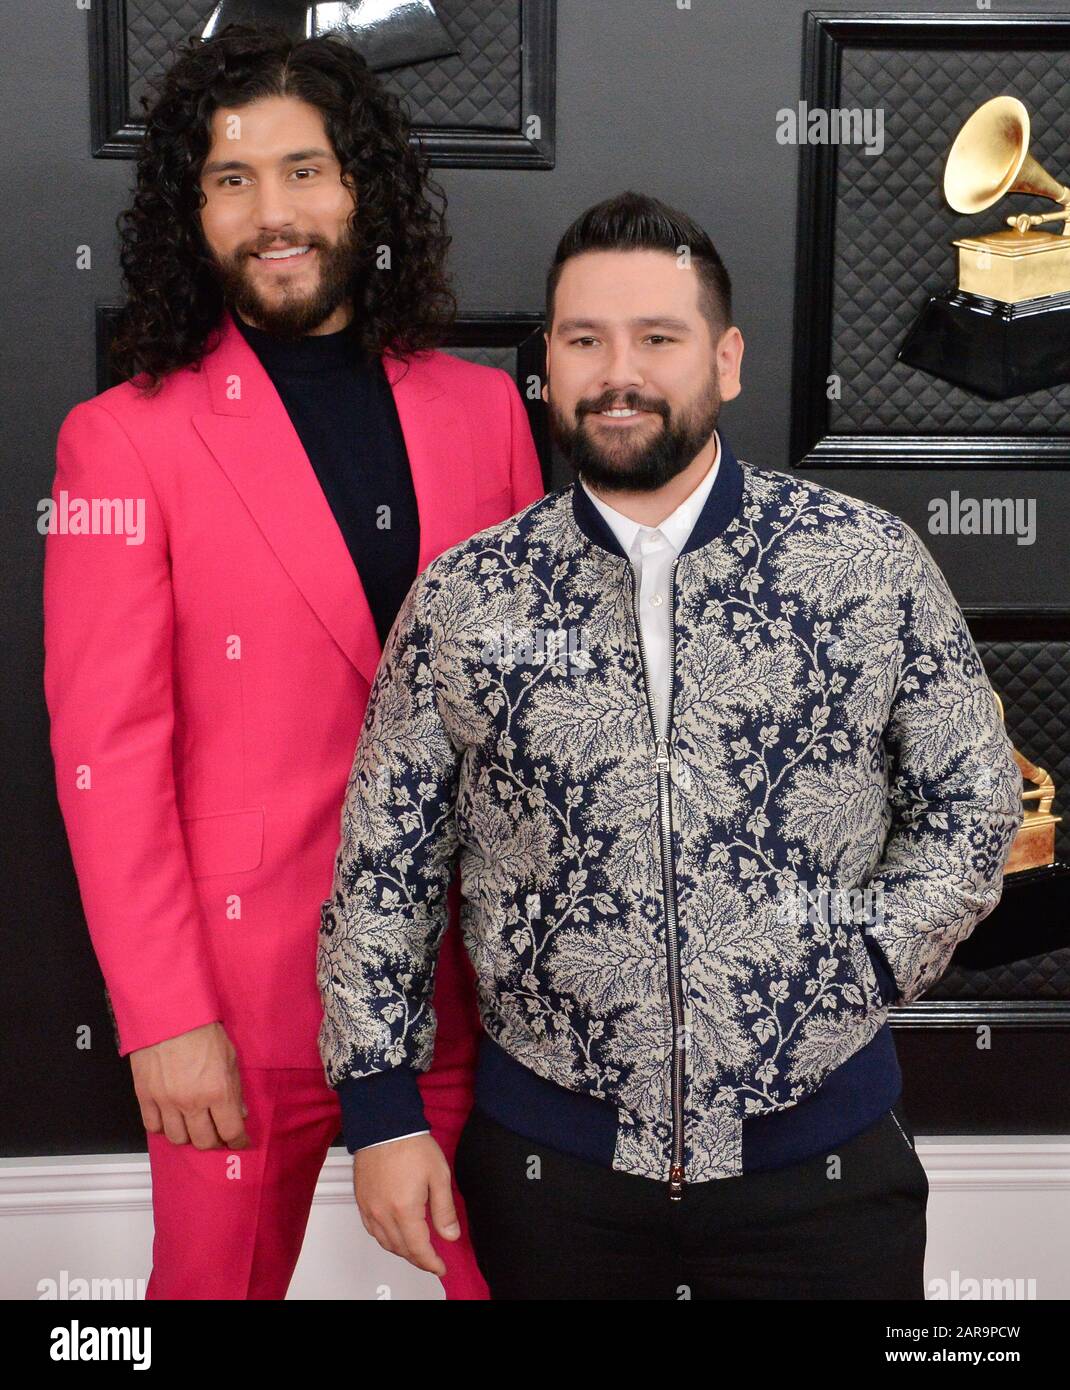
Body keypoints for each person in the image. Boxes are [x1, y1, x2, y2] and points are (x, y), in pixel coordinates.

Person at [317, 190, 1023, 1299]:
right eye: (584, 339)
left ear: (724, 359)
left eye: (658, 336)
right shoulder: (465, 597)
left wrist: (861, 961)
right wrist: (379, 1109)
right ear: (546, 362)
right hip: (553, 1181)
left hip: (823, 1171)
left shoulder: (867, 564)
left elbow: (973, 806)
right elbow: (383, 866)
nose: (618, 372)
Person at [42, 23, 543, 1300]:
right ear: (189, 210)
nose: (275, 212)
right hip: (236, 999)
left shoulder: (482, 411)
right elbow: (106, 751)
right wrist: (159, 1018)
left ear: (360, 187)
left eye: (305, 170)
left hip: (463, 989)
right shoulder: (120, 443)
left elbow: (531, 711)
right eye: (231, 178)